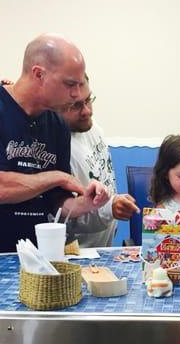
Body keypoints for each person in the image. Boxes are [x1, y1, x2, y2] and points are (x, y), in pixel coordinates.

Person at [0, 33, 111, 254]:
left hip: (38, 259)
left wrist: (85, 204)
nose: (76, 94)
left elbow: (55, 200)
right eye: (70, 84)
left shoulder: (57, 124)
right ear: (39, 74)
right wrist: (58, 176)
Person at [59, 79, 139, 247]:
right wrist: (109, 208)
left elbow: (105, 177)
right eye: (75, 105)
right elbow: (60, 215)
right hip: (74, 254)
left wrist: (112, 207)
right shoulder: (54, 147)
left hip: (102, 247)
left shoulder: (92, 127)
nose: (87, 111)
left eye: (88, 100)